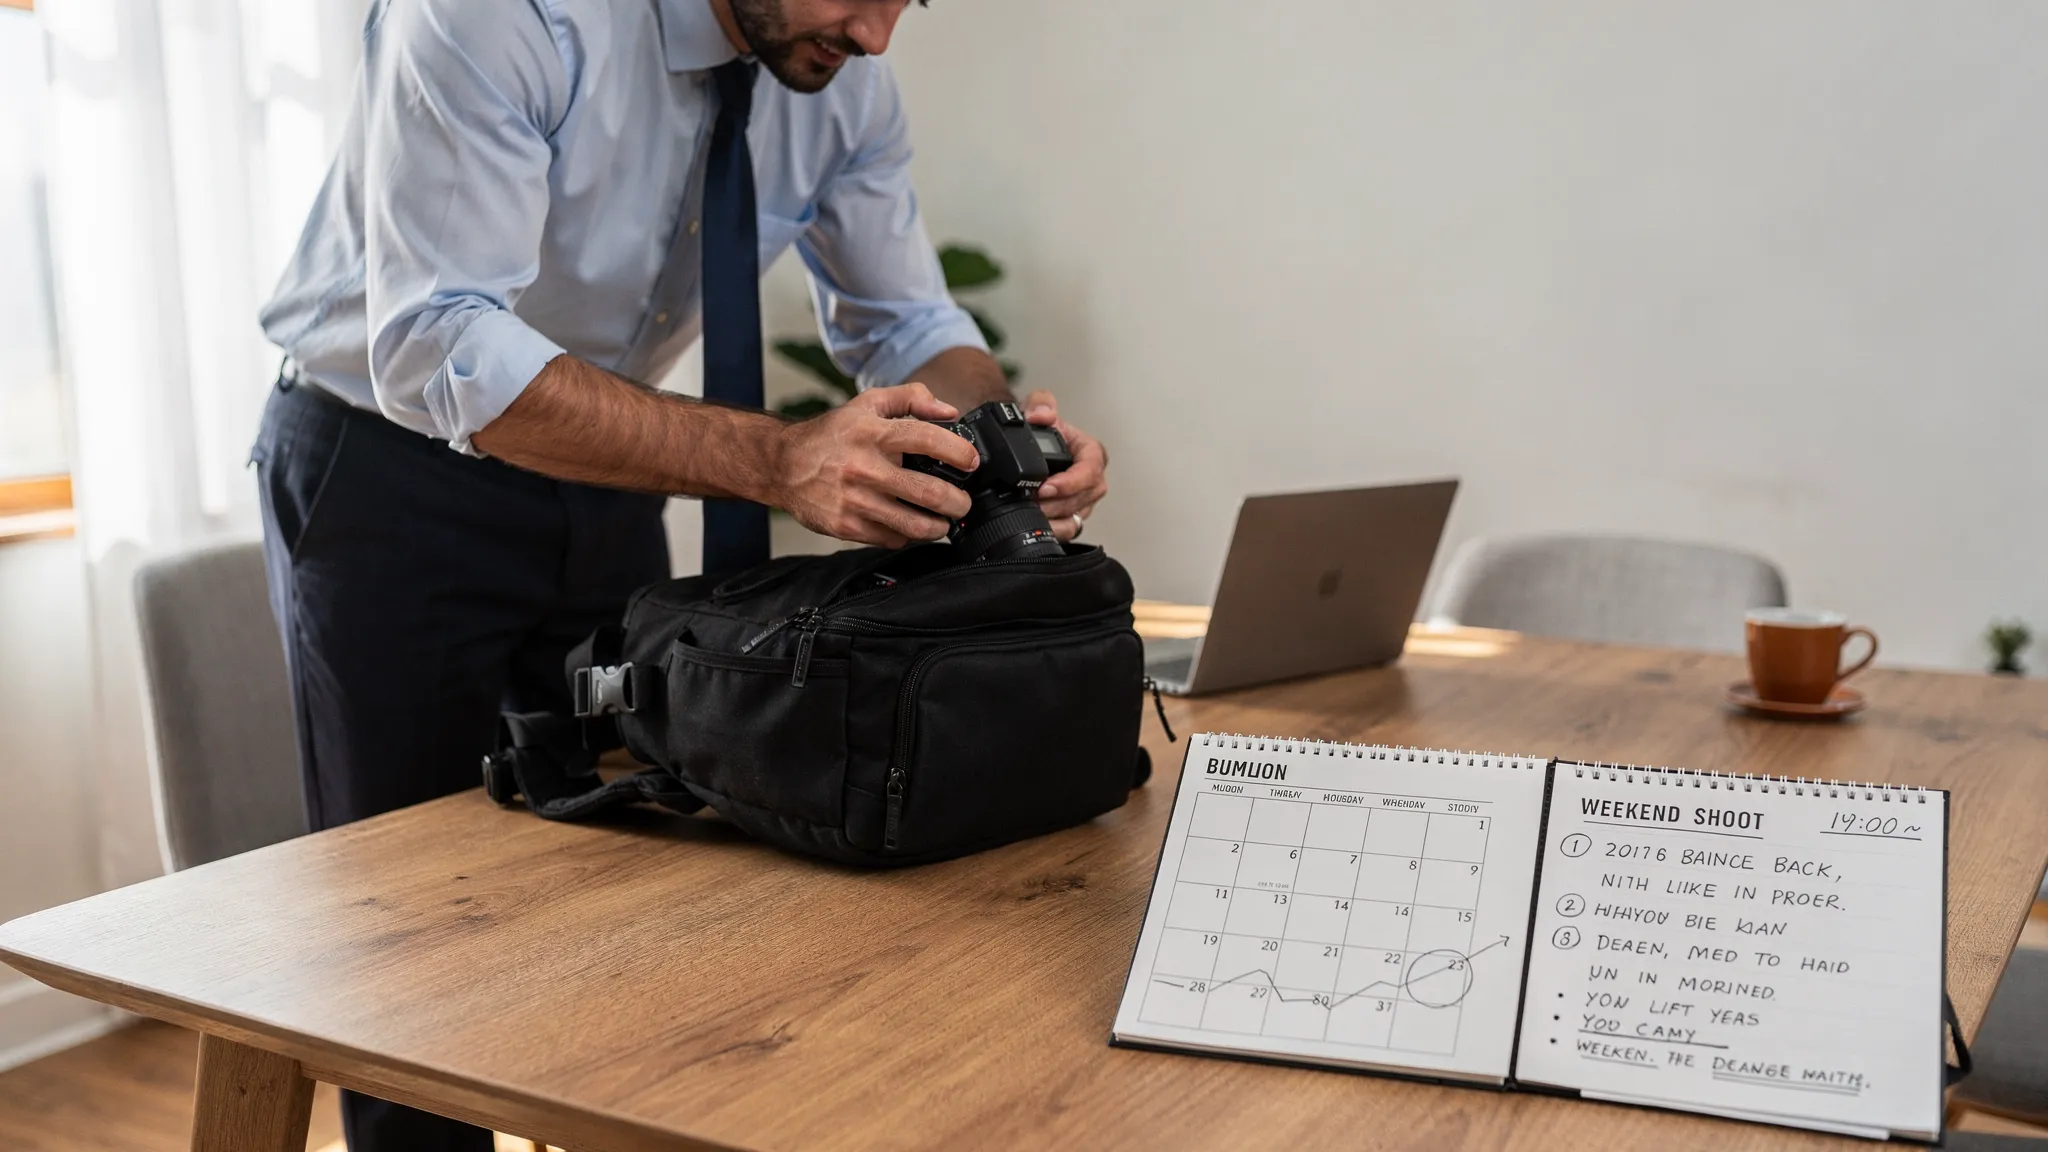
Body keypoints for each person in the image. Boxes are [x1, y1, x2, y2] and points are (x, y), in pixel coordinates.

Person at [252, 0, 1108, 1147]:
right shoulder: (498, 15)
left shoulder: (832, 74)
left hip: (607, 462)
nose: (877, 36)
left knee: (639, 867)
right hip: (390, 476)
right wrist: (780, 458)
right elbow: (443, 343)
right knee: (410, 928)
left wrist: (999, 441)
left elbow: (905, 319)